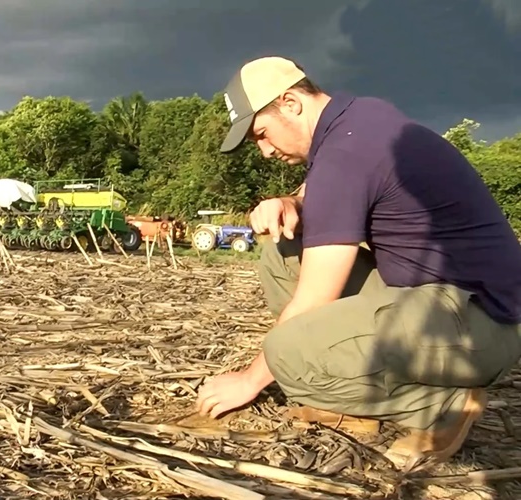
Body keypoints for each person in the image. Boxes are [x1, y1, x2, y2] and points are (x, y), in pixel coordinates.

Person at [194, 55, 521, 471]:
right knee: (282, 252)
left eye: (261, 133)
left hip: (482, 326)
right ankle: (342, 393)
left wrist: (250, 379)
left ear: (290, 103)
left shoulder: (345, 152)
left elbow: (314, 298)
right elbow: (340, 187)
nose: (263, 150)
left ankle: (443, 406)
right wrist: (292, 202)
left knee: (286, 352)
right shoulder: (358, 122)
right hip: (445, 304)